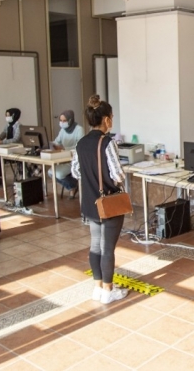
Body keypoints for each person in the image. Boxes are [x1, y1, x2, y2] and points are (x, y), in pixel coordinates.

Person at [71, 95, 128, 304]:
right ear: (106, 119)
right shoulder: (107, 143)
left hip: (90, 201)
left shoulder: (81, 143)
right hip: (108, 203)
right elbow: (118, 175)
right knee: (107, 248)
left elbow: (76, 172)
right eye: (111, 116)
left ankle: (98, 288)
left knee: (95, 245)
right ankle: (108, 290)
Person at [48, 110, 84, 199]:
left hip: (75, 160)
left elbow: (80, 147)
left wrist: (64, 149)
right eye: (60, 120)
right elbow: (57, 142)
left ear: (70, 120)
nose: (62, 123)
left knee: (58, 174)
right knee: (50, 172)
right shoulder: (63, 130)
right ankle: (72, 185)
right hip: (64, 159)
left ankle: (73, 185)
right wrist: (51, 145)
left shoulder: (79, 129)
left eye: (64, 120)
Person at [0, 108, 22, 184]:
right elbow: (2, 135)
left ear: (13, 115)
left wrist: (1, 142)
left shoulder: (19, 126)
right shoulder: (7, 125)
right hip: (7, 147)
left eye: (8, 115)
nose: (6, 117)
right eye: (6, 115)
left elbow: (15, 140)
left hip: (16, 148)